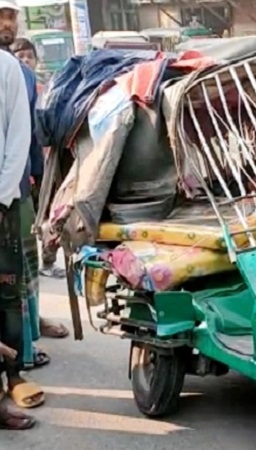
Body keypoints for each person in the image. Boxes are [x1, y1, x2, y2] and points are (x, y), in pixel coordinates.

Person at [10, 38, 69, 345]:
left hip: (16, 184)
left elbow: (32, 130)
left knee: (23, 262)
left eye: (10, 17)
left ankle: (32, 321)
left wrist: (39, 176)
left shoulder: (24, 74)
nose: (7, 23)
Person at [0, 0, 37, 429]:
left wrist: (2, 199)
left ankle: (12, 376)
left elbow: (18, 140)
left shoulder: (8, 69)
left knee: (7, 298)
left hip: (4, 205)